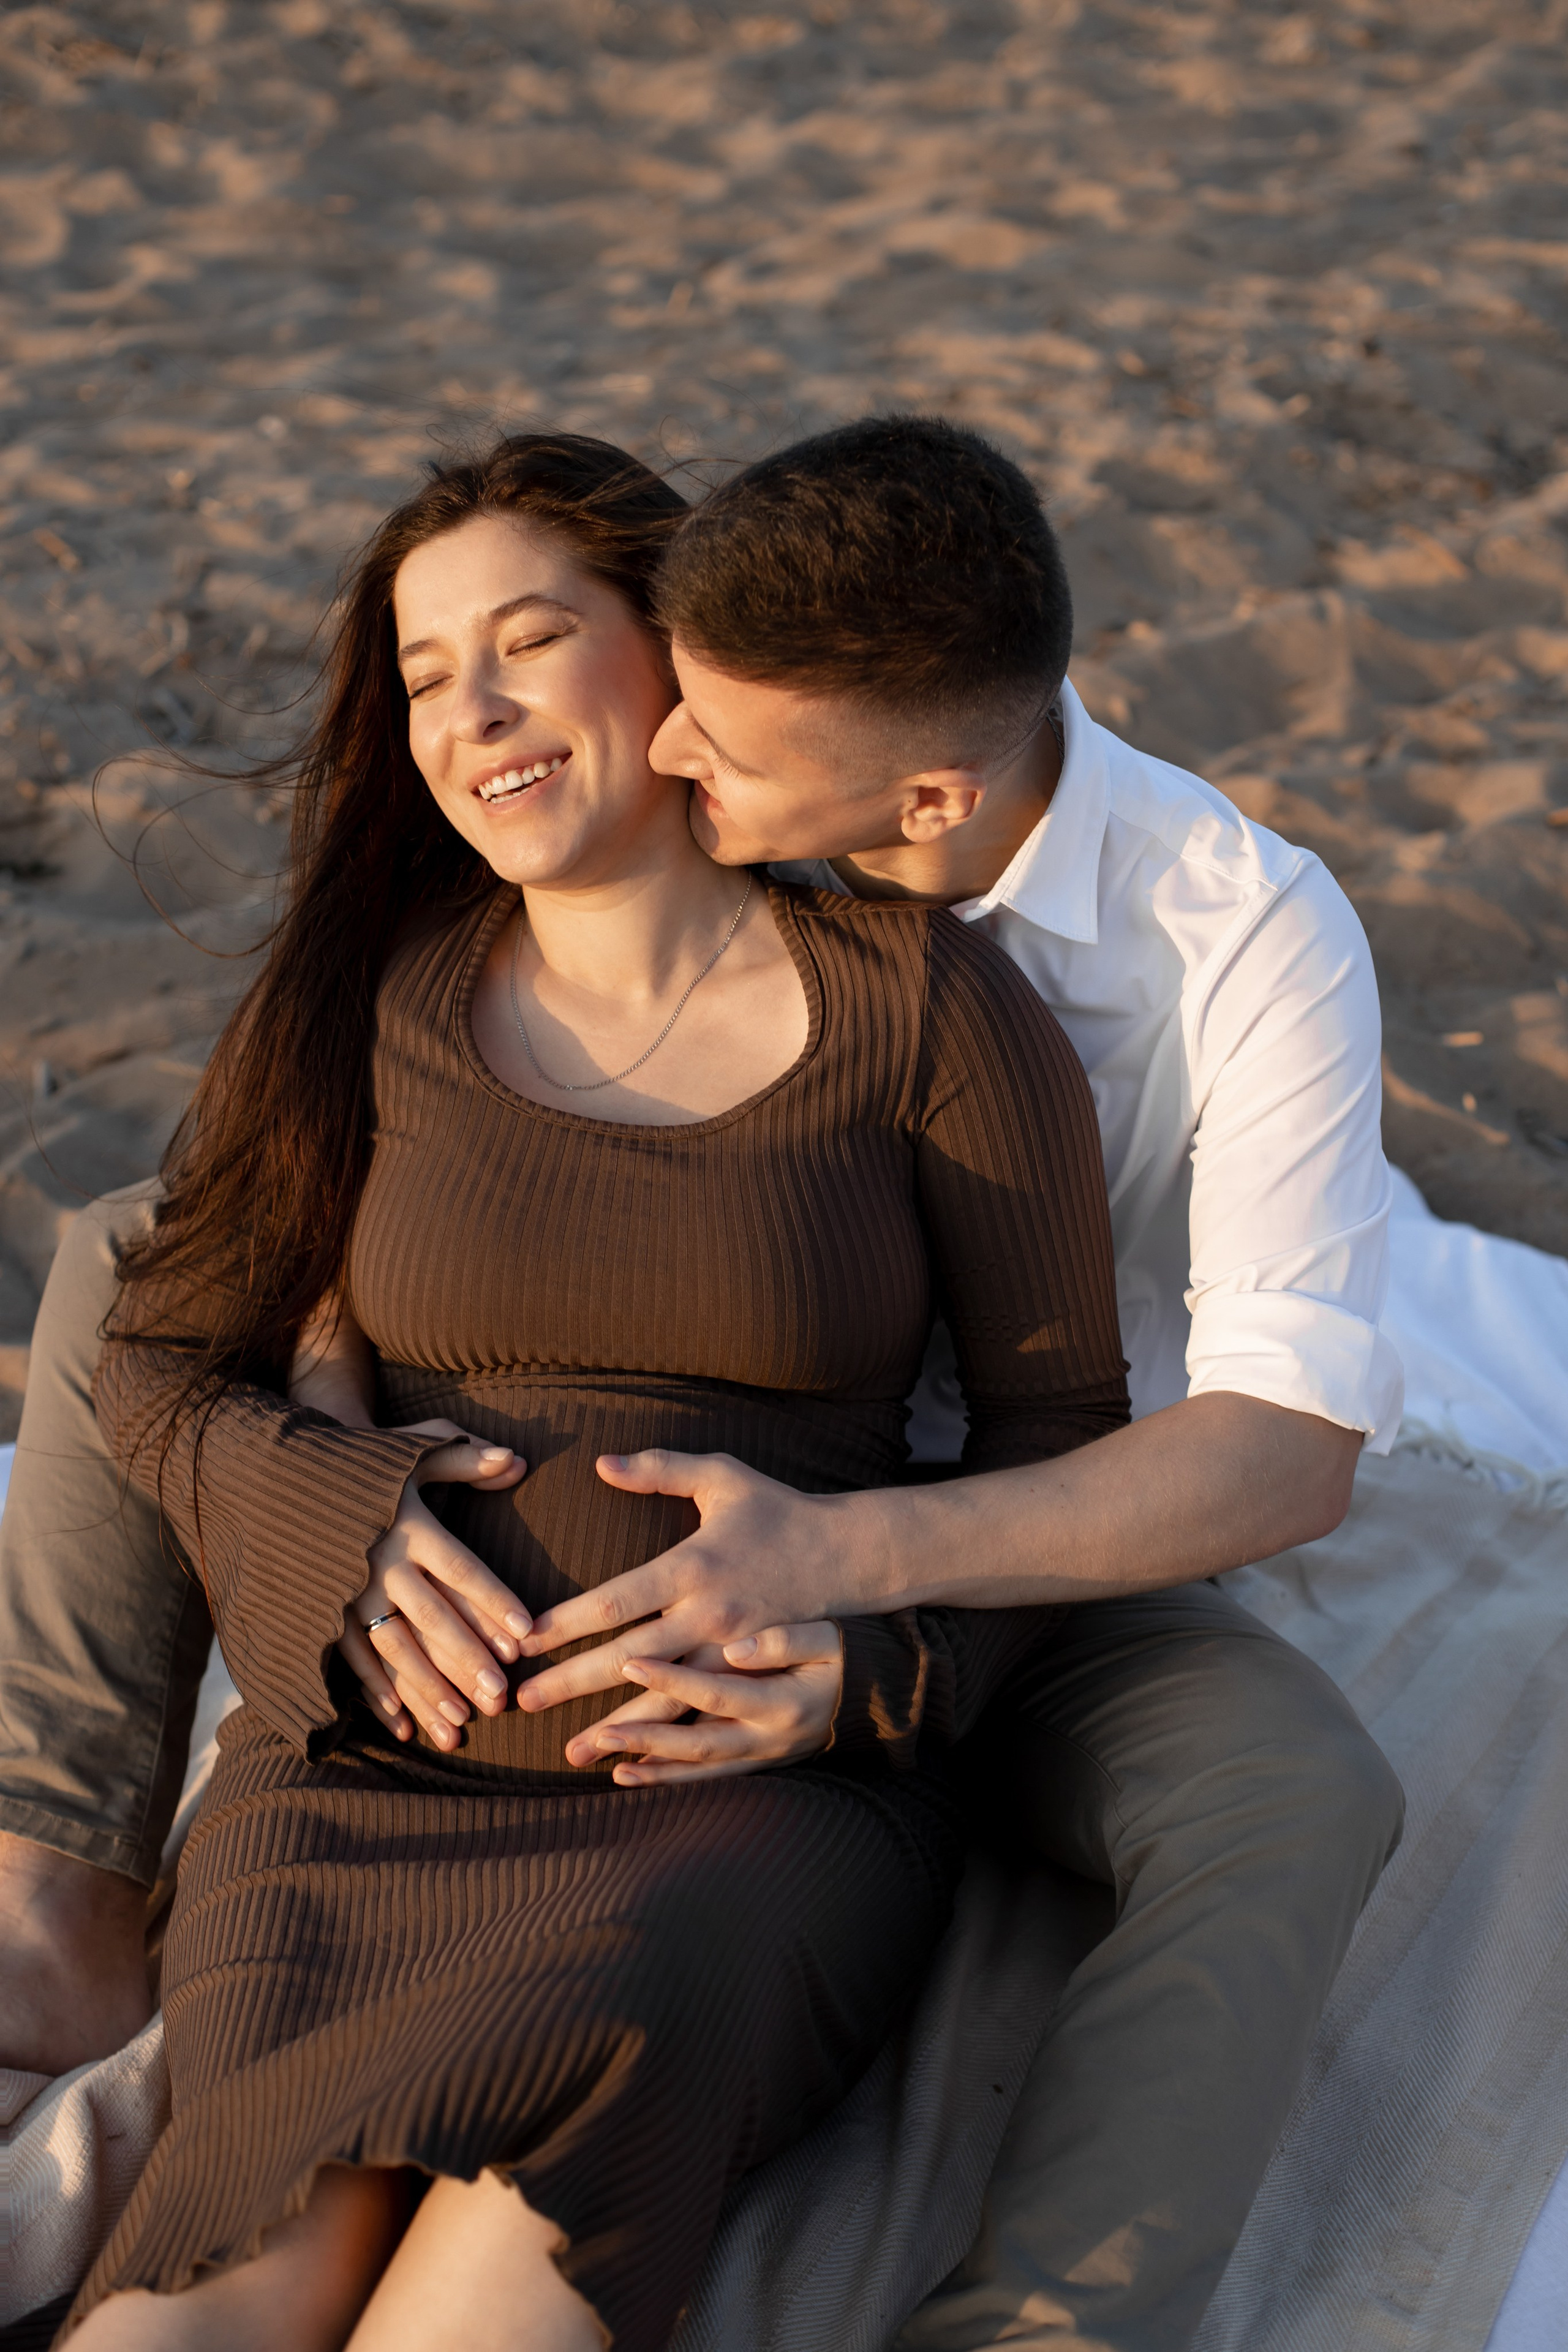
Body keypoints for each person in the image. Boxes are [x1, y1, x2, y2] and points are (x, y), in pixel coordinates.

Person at [0, 417, 1403, 2351]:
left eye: (691, 718)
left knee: (1290, 1791)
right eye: (427, 675)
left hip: (980, 1596)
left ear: (908, 795)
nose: (667, 749)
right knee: (119, 1254)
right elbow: (166, 1313)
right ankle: (54, 1892)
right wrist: (324, 1459)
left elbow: (1258, 1449)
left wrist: (855, 1605)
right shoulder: (406, 977)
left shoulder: (1180, 946)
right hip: (390, 1797)